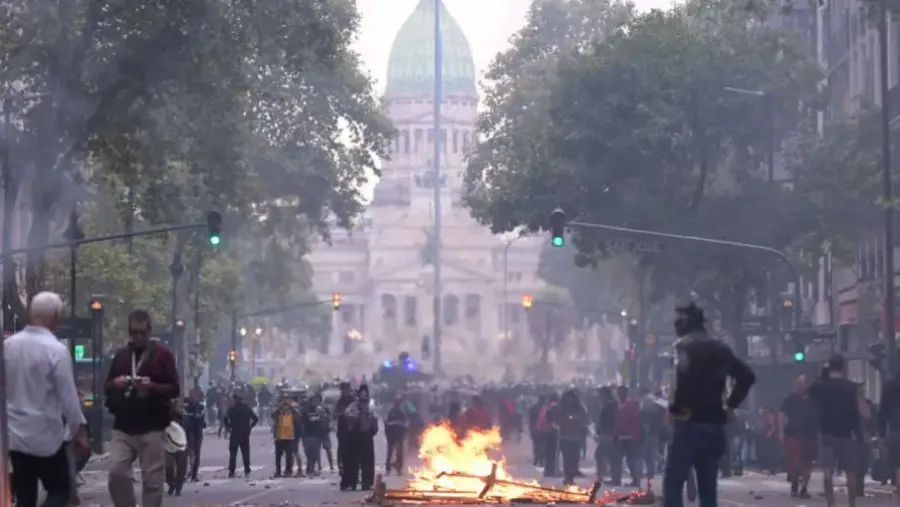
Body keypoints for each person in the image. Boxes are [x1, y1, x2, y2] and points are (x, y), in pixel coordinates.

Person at [663, 303, 755, 507]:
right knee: (708, 489)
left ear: (686, 323)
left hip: (688, 424)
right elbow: (747, 376)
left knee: (673, 485)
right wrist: (730, 405)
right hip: (714, 424)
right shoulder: (721, 349)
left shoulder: (682, 346)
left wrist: (676, 407)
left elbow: (681, 378)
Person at [6, 292, 88, 507]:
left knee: (25, 497)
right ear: (55, 316)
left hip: (15, 435)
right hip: (47, 437)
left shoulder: (9, 346)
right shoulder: (56, 350)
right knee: (60, 491)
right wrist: (78, 430)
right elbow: (68, 397)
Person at [106, 309, 180, 507]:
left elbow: (174, 388)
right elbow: (107, 385)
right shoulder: (122, 356)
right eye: (134, 332)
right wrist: (117, 383)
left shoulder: (163, 355)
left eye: (142, 332)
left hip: (153, 425)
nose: (138, 337)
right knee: (116, 472)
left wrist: (152, 387)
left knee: (152, 480)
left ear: (149, 331)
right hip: (124, 425)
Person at [808, 354, 863, 507]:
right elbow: (855, 411)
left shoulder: (821, 385)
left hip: (827, 433)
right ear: (843, 367)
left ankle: (831, 502)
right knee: (850, 472)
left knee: (827, 472)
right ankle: (851, 502)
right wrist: (858, 433)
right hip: (846, 434)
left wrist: (824, 372)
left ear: (829, 366)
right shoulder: (850, 386)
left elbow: (810, 390)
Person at [779, 375, 817, 498]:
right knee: (795, 461)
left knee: (808, 463)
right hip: (793, 434)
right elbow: (781, 414)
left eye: (801, 384)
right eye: (797, 384)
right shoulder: (790, 399)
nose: (798, 387)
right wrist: (781, 432)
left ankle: (804, 487)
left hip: (810, 435)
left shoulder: (814, 400)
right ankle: (794, 483)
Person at [339, 385, 379, 491]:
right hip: (354, 436)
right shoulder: (353, 405)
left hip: (366, 435)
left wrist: (371, 418)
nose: (363, 395)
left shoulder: (370, 406)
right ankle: (351, 483)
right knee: (352, 461)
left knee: (368, 461)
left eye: (365, 393)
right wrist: (353, 416)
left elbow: (375, 418)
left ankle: (367, 483)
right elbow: (346, 414)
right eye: (362, 393)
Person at [224, 392, 259, 478]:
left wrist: (228, 427)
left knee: (233, 453)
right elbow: (255, 419)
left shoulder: (232, 408)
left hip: (234, 433)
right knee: (245, 452)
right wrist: (250, 427)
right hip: (244, 433)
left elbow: (225, 418)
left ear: (235, 399)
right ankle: (247, 470)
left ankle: (231, 471)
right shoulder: (246, 407)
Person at [271, 395, 300, 477]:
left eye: (286, 401)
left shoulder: (293, 411)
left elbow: (298, 418)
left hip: (289, 436)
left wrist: (292, 407)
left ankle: (288, 471)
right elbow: (272, 416)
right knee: (278, 456)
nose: (285, 403)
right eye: (283, 401)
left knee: (289, 456)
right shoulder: (278, 411)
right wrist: (279, 408)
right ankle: (278, 471)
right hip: (279, 436)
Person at [183, 388, 207, 482]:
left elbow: (198, 416)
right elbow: (186, 417)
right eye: (192, 395)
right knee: (186, 453)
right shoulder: (186, 406)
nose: (194, 397)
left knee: (196, 453)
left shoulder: (201, 407)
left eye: (196, 396)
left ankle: (194, 474)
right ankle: (184, 473)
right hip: (188, 431)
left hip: (197, 431)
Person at [385, 396, 409, 474]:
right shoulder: (391, 411)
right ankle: (389, 468)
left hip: (398, 433)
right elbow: (386, 422)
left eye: (398, 402)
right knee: (391, 452)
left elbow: (405, 423)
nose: (398, 403)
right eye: (397, 402)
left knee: (398, 452)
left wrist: (404, 432)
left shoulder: (400, 411)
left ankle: (398, 469)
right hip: (392, 433)